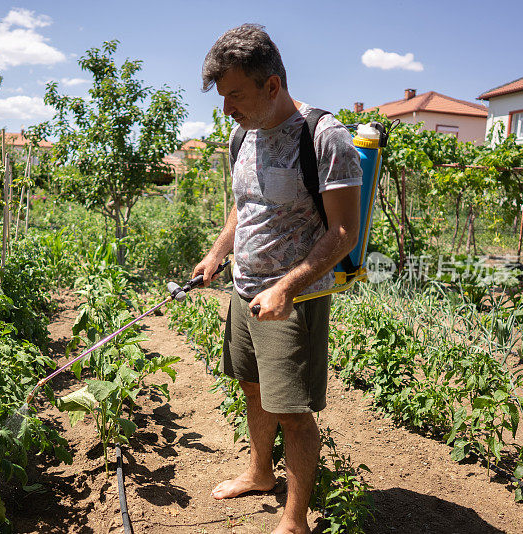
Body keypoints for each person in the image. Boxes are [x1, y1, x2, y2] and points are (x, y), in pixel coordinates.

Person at [192, 24, 363, 534]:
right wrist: (217, 253)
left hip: (293, 299)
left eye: (235, 95)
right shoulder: (241, 133)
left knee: (292, 412)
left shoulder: (324, 137)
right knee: (251, 387)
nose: (227, 109)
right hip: (245, 290)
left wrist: (286, 287)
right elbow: (244, 208)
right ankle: (260, 473)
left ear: (272, 86)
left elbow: (344, 232)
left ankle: (294, 520)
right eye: (223, 98)